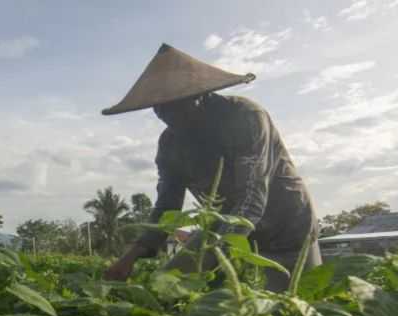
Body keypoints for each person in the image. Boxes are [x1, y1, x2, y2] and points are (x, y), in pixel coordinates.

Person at [101, 44, 321, 292]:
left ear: (198, 95)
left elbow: (251, 196)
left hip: (285, 229)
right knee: (167, 285)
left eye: (174, 104)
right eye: (158, 106)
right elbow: (167, 206)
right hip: (223, 225)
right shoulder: (171, 143)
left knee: (294, 308)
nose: (166, 114)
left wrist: (217, 253)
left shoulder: (244, 116)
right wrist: (131, 255)